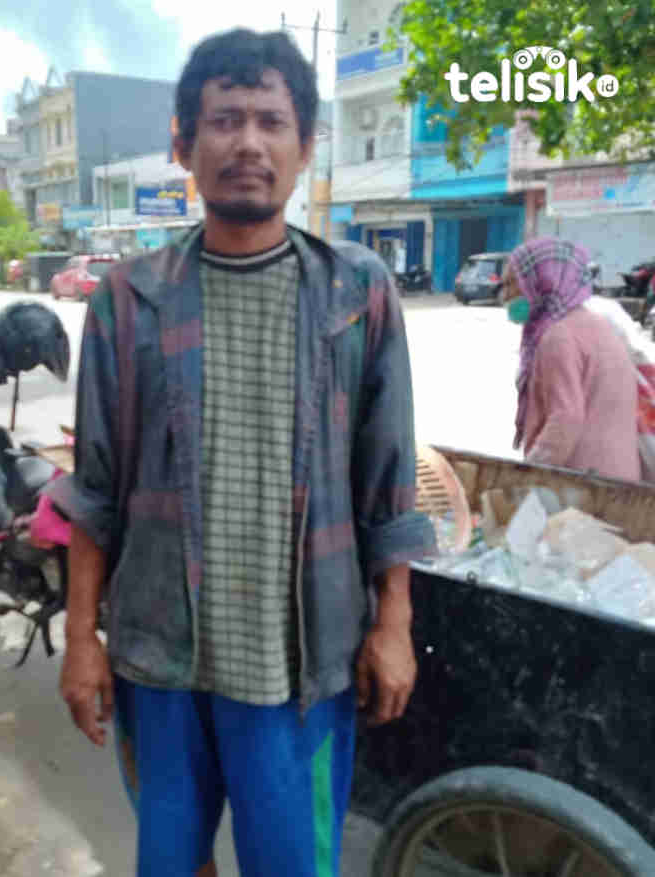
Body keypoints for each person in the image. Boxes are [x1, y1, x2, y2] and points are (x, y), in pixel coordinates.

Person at [48, 28, 434, 877]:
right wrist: (83, 639)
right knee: (174, 863)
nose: (248, 143)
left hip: (302, 667)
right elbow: (95, 488)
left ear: (304, 149)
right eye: (224, 120)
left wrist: (394, 621)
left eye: (271, 120)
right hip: (161, 660)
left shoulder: (357, 293)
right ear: (185, 144)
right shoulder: (129, 300)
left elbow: (389, 483)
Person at [500, 238, 640, 481]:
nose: (506, 295)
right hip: (620, 478)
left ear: (542, 281)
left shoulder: (559, 337)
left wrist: (527, 476)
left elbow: (564, 421)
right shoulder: (597, 325)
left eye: (513, 284)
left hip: (586, 484)